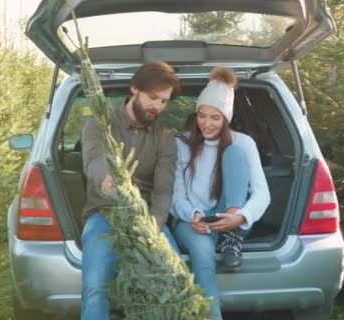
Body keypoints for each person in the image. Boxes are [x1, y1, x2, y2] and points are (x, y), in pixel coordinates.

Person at [80, 61, 181, 320]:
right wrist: (106, 180)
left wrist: (155, 226)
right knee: (94, 287)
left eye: (164, 101)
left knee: (175, 278)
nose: (157, 106)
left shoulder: (164, 138)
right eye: (153, 97)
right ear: (134, 89)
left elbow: (162, 190)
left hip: (148, 218)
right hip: (104, 214)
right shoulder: (99, 123)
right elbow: (94, 160)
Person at [170, 67, 271, 320]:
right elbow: (176, 195)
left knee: (234, 154)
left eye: (215, 117)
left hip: (230, 218)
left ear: (226, 119)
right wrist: (193, 215)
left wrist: (240, 217)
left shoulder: (243, 143)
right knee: (203, 256)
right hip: (194, 221)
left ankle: (232, 236)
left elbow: (262, 193)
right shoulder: (181, 144)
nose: (206, 123)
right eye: (202, 116)